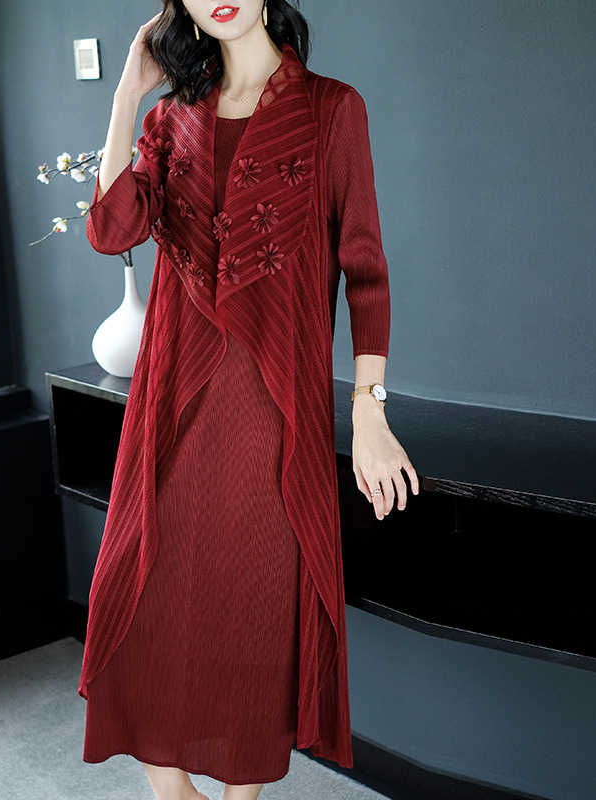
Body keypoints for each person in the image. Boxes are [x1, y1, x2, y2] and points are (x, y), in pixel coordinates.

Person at [78, 2, 418, 799]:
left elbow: (365, 269)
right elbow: (110, 230)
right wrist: (126, 95)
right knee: (143, 583)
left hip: (273, 407)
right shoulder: (168, 120)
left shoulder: (332, 109)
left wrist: (369, 409)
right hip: (173, 398)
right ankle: (172, 790)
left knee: (256, 601)